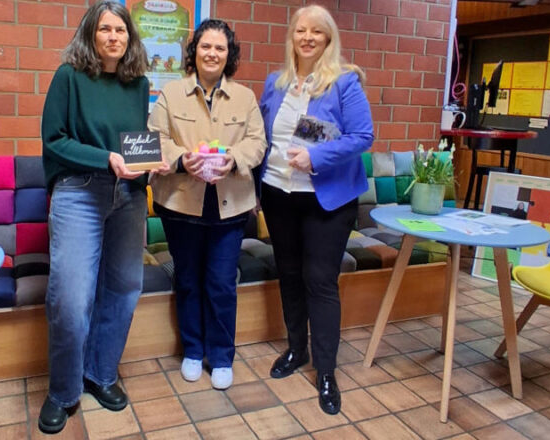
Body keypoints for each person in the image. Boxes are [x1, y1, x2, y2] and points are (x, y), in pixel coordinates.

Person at [39, 1, 166, 434]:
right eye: (105, 29)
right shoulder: (69, 77)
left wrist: (152, 162)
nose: (114, 37)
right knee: (70, 300)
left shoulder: (138, 83)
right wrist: (105, 158)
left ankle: (100, 373)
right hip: (79, 193)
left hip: (128, 194)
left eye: (121, 31)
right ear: (90, 34)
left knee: (125, 289)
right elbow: (53, 140)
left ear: (130, 38)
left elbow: (133, 145)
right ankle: (63, 392)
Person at [258, 5, 373, 415]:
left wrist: (317, 157)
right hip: (277, 193)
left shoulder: (344, 83)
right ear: (292, 36)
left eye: (316, 32)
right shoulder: (276, 83)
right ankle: (296, 350)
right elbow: (260, 132)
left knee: (320, 280)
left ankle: (326, 371)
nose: (307, 38)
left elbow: (363, 135)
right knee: (288, 274)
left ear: (328, 39)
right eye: (300, 31)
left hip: (327, 199)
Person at [148, 19, 266, 390]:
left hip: (229, 207)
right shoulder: (170, 94)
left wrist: (233, 159)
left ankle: (221, 355)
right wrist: (183, 160)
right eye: (205, 46)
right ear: (194, 51)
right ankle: (193, 351)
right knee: (187, 280)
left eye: (220, 48)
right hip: (181, 203)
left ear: (229, 55)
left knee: (220, 283)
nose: (212, 53)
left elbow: (258, 143)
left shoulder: (245, 97)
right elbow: (155, 139)